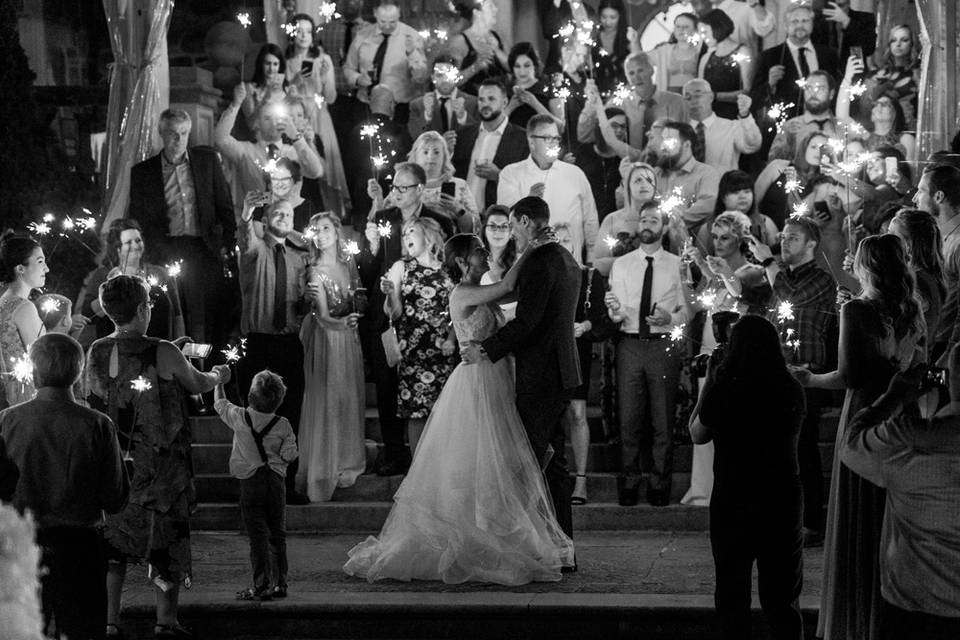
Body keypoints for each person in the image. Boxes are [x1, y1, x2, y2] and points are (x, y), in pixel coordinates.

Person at [344, 232, 575, 583]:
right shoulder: (463, 293)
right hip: (477, 384)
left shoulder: (484, 290)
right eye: (479, 251)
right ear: (463, 261)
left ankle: (496, 535)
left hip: (498, 379)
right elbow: (511, 283)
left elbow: (517, 292)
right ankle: (470, 539)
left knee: (503, 462)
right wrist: (532, 246)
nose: (485, 254)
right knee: (480, 461)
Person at [793, 234, 925, 640]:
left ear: (866, 266)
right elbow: (912, 363)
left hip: (866, 409)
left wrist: (809, 378)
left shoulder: (858, 310)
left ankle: (855, 617)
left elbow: (850, 375)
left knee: (859, 510)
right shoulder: (911, 308)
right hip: (904, 412)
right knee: (889, 512)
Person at [84, 275, 231, 640]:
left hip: (116, 460)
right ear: (141, 309)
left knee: (114, 544)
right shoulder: (163, 349)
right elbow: (195, 382)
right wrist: (219, 373)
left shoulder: (97, 349)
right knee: (166, 542)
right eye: (149, 304)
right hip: (161, 466)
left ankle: (109, 620)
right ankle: (165, 621)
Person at [461, 196, 582, 547]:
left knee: (531, 461)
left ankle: (538, 544)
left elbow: (529, 321)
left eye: (513, 224)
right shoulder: (563, 257)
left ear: (527, 221)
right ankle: (561, 544)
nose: (512, 233)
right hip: (561, 368)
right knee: (554, 462)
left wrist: (486, 348)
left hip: (542, 372)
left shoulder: (542, 261)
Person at [1, 333, 128, 640]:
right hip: (79, 546)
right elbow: (115, 498)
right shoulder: (97, 425)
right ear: (78, 372)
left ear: (33, 372)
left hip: (20, 545)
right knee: (83, 629)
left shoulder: (7, 422)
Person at [690, 315, 805, 640]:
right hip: (781, 498)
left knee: (732, 594)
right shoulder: (790, 388)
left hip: (734, 498)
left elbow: (696, 434)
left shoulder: (727, 387)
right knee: (783, 599)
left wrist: (710, 381)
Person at [840, 345, 960, 640]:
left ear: (952, 379)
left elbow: (851, 445)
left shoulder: (909, 438)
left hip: (916, 608)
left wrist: (892, 397)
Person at [357, 162, 454, 476]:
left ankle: (432, 453)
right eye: (393, 187)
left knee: (426, 388)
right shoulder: (383, 219)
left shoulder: (439, 221)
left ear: (419, 189)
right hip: (387, 312)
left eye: (402, 188)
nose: (394, 193)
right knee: (386, 384)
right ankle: (394, 452)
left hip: (427, 319)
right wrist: (370, 248)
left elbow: (449, 268)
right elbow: (368, 272)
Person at [751, 216, 837, 547]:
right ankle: (780, 519)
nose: (785, 242)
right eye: (783, 236)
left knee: (803, 450)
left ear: (811, 244)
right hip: (778, 372)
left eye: (793, 238)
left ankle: (811, 522)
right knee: (775, 451)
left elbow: (792, 297)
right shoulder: (779, 277)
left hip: (805, 374)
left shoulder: (821, 280)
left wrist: (767, 261)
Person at [680, 211, 771, 507]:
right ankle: (702, 490)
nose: (718, 243)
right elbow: (696, 302)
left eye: (726, 237)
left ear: (740, 239)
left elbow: (737, 289)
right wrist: (689, 270)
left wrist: (713, 272)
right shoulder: (716, 273)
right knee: (705, 419)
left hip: (738, 358)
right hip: (710, 354)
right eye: (715, 237)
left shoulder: (752, 271)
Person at [605, 200, 690, 507]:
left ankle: (659, 485)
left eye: (654, 220)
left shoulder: (676, 263)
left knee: (662, 419)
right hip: (630, 343)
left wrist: (671, 319)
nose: (647, 225)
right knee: (628, 418)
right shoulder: (622, 264)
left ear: (663, 226)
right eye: (644, 219)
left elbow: (687, 310)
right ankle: (628, 484)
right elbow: (614, 310)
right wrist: (614, 312)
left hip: (662, 344)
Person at [129, 109, 235, 347]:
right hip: (167, 249)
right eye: (172, 133)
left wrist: (226, 245)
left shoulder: (206, 162)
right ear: (161, 133)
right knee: (172, 311)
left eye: (184, 133)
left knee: (205, 314)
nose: (178, 140)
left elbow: (224, 207)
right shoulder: (143, 173)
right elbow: (139, 220)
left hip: (203, 248)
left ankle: (203, 368)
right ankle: (175, 363)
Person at [236, 195, 312, 505]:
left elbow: (303, 302)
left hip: (288, 342)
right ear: (266, 220)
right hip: (259, 342)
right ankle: (253, 486)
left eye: (288, 214)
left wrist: (310, 300)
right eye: (277, 213)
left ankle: (285, 484)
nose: (283, 217)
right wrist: (246, 215)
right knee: (255, 416)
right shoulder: (257, 248)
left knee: (289, 415)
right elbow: (245, 239)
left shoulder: (299, 256)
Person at [297, 212, 365, 502]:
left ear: (338, 233)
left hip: (348, 337)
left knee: (347, 397)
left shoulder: (349, 265)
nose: (322, 234)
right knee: (327, 396)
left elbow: (357, 299)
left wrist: (356, 318)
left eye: (327, 228)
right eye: (317, 230)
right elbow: (323, 317)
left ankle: (348, 455)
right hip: (328, 338)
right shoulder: (314, 270)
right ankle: (326, 459)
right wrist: (345, 325)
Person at [214, 369, 298, 601]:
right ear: (279, 400)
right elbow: (291, 453)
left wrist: (220, 382)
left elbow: (220, 404)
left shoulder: (240, 417)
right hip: (275, 480)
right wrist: (281, 456)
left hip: (250, 482)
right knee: (277, 534)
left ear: (251, 397)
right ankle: (281, 583)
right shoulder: (284, 424)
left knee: (257, 535)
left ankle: (261, 585)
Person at [381, 217, 457, 454]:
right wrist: (391, 294)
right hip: (412, 350)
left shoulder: (449, 270)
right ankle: (417, 472)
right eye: (404, 233)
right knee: (415, 412)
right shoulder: (401, 267)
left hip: (442, 349)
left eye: (411, 231)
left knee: (442, 412)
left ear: (428, 235)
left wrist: (452, 340)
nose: (406, 237)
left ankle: (440, 466)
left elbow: (459, 308)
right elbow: (393, 313)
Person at [555, 223, 610, 506]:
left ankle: (580, 480)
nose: (564, 243)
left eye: (568, 238)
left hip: (577, 349)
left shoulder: (589, 276)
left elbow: (602, 319)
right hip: (551, 351)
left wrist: (585, 324)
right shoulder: (547, 275)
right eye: (558, 239)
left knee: (577, 412)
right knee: (552, 414)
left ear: (576, 242)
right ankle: (552, 477)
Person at [498, 114, 599, 265]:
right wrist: (528, 200)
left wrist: (592, 256)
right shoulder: (511, 173)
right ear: (531, 142)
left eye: (556, 138)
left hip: (571, 264)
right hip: (527, 264)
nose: (554, 144)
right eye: (547, 138)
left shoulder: (574, 173)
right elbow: (504, 219)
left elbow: (590, 218)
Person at [215, 83, 324, 220]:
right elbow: (220, 139)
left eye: (277, 118)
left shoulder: (293, 152)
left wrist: (296, 137)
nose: (273, 123)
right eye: (267, 118)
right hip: (255, 221)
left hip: (291, 221)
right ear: (257, 124)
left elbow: (316, 172)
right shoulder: (246, 151)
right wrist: (236, 104)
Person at [74, 219, 184, 345]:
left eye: (138, 240)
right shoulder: (102, 275)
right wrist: (111, 286)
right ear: (118, 248)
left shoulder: (160, 273)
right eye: (128, 242)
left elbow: (177, 314)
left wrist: (179, 345)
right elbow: (89, 313)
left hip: (161, 346)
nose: (135, 245)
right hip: (118, 350)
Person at [285, 14, 351, 220]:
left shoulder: (323, 59)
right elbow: (282, 95)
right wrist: (295, 80)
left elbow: (330, 97)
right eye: (299, 31)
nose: (304, 36)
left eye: (308, 31)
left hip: (318, 114)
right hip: (295, 115)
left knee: (325, 162)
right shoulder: (286, 61)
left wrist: (325, 76)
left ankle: (332, 215)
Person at [577, 52, 687, 153]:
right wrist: (591, 103)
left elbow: (690, 141)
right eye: (631, 73)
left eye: (640, 70)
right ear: (627, 77)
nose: (637, 77)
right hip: (631, 169)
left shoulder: (677, 102)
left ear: (651, 70)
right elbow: (584, 136)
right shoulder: (618, 104)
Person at [342, 0, 429, 124]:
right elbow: (348, 68)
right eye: (382, 21)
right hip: (365, 105)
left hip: (398, 108)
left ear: (399, 14)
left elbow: (421, 77)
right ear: (375, 14)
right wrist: (358, 79)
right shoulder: (362, 35)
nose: (387, 26)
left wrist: (412, 53)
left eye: (392, 22)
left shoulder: (412, 36)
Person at [752, 3, 840, 123]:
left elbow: (836, 91)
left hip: (822, 125)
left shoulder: (828, 55)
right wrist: (770, 84)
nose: (800, 25)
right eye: (794, 21)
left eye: (805, 21)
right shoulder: (770, 57)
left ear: (812, 25)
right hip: (783, 127)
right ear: (785, 26)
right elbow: (754, 98)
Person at [451, 78, 530, 211]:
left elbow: (527, 184)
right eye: (481, 99)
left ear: (504, 102)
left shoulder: (522, 139)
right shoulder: (464, 134)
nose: (485, 104)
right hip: (462, 216)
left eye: (491, 99)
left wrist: (499, 175)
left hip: (497, 219)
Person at [342, 85, 413, 229]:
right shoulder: (399, 132)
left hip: (361, 199)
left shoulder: (356, 132)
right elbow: (409, 166)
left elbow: (348, 168)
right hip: (392, 199)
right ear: (390, 105)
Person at [913, 165, 960, 365]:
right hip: (931, 341)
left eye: (921, 191)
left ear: (938, 197)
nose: (915, 198)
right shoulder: (938, 236)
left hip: (945, 348)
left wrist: (949, 353)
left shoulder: (957, 244)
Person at [887, 209, 945, 361]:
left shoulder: (917, 280)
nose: (885, 240)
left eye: (893, 236)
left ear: (909, 245)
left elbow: (898, 320)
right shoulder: (923, 275)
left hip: (911, 365)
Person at [394, 131, 479, 233]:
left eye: (436, 152)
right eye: (425, 152)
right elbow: (388, 220)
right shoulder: (402, 186)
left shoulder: (460, 185)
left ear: (444, 157)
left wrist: (459, 211)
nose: (430, 157)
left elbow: (477, 228)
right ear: (415, 156)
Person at [0, 234, 49, 407]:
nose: (47, 269)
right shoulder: (23, 308)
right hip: (24, 398)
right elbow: (44, 360)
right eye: (40, 261)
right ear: (20, 268)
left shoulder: (3, 301)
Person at [837, 56, 915, 159]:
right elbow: (842, 116)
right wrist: (847, 77)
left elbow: (910, 170)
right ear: (871, 117)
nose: (879, 107)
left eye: (885, 104)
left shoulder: (905, 139)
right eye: (875, 104)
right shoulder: (865, 136)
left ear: (895, 113)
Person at [756, 130, 830, 230]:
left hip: (791, 236)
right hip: (762, 228)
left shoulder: (821, 185)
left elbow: (798, 214)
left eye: (823, 148)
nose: (818, 152)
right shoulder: (778, 166)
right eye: (813, 147)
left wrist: (792, 185)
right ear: (805, 148)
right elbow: (754, 200)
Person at [682, 79, 761, 173]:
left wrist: (745, 116)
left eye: (698, 95)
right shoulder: (679, 131)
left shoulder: (731, 127)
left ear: (711, 97)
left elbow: (752, 146)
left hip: (722, 185)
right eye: (688, 97)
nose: (693, 101)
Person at [653, 121, 722, 230]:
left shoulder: (706, 173)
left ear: (687, 145)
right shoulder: (655, 173)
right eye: (663, 139)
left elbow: (709, 204)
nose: (663, 146)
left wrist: (672, 222)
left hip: (691, 237)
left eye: (670, 140)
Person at [593, 161, 657, 276]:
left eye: (649, 180)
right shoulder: (612, 219)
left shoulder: (669, 218)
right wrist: (633, 263)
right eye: (638, 180)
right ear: (627, 185)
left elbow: (682, 258)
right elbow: (598, 264)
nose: (644, 185)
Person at [697, 170, 778, 255]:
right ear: (723, 197)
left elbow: (778, 261)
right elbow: (699, 264)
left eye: (747, 191)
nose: (743, 196)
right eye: (735, 192)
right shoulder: (708, 228)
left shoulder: (765, 223)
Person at [767, 70, 839, 162]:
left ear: (831, 94)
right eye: (809, 88)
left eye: (820, 89)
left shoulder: (843, 127)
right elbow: (773, 167)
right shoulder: (790, 127)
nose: (813, 94)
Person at [862, 24, 921, 131]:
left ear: (912, 44)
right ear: (889, 44)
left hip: (909, 130)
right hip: (876, 129)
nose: (898, 44)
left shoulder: (918, 75)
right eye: (894, 40)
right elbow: (864, 109)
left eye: (904, 40)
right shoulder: (876, 75)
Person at [697, 10, 753, 120]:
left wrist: (715, 96)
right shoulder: (706, 58)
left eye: (705, 32)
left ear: (717, 28)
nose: (703, 37)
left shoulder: (743, 52)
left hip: (735, 118)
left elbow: (748, 91)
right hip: (710, 119)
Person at [447, 0, 509, 96]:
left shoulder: (496, 37)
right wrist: (475, 67)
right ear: (477, 13)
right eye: (490, 7)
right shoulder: (460, 42)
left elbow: (512, 67)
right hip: (472, 105)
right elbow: (450, 81)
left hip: (499, 104)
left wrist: (497, 50)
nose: (496, 10)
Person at [407, 56, 479, 139]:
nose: (445, 80)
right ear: (433, 77)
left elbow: (481, 136)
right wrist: (427, 115)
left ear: (456, 76)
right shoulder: (417, 105)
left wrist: (463, 117)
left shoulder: (473, 103)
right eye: (440, 75)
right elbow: (414, 136)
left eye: (448, 74)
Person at [504, 42, 561, 130]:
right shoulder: (505, 89)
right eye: (517, 66)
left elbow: (560, 127)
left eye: (527, 66)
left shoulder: (548, 87)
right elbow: (493, 126)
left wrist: (535, 104)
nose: (522, 71)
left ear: (534, 65)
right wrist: (510, 107)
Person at [478, 204, 518, 321]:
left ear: (511, 231)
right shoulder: (474, 263)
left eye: (504, 226)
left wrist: (502, 317)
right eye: (492, 226)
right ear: (484, 230)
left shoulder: (522, 262)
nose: (498, 231)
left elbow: (533, 302)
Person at [650, 12, 702, 95]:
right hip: (669, 98)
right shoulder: (664, 51)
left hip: (694, 97)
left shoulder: (700, 51)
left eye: (685, 27)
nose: (681, 30)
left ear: (694, 30)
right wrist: (634, 41)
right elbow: (640, 59)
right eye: (677, 26)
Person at [241, 44, 289, 129]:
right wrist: (264, 101)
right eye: (267, 63)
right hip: (259, 137)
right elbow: (250, 125)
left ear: (280, 66)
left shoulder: (285, 90)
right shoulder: (249, 88)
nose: (271, 69)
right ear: (261, 64)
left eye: (275, 64)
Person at [592, 0, 630, 97]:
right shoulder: (593, 37)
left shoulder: (628, 37)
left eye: (613, 17)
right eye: (603, 17)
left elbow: (638, 66)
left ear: (620, 16)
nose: (607, 22)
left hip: (624, 93)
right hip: (599, 94)